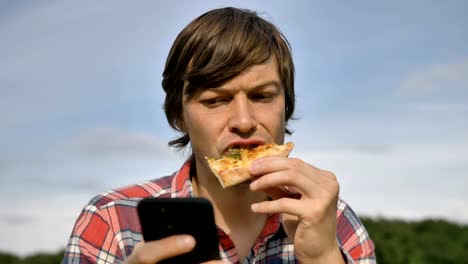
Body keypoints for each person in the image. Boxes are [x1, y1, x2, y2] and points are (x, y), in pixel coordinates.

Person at [63, 7, 376, 264]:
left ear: (286, 107)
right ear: (178, 116)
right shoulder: (112, 221)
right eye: (214, 100)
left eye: (262, 96)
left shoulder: (331, 219)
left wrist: (323, 257)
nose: (243, 121)